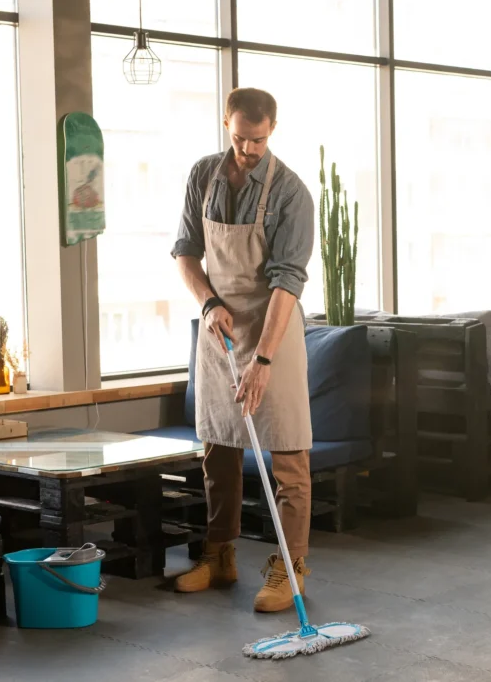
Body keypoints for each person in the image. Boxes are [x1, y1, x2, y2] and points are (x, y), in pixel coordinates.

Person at [171, 87, 315, 613]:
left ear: (272, 128)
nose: (247, 150)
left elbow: (287, 283)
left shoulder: (290, 193)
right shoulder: (203, 175)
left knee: (289, 453)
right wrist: (208, 304)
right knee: (218, 447)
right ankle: (219, 556)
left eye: (256, 140)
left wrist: (264, 359)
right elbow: (186, 251)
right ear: (225, 125)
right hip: (219, 328)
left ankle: (290, 569)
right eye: (238, 138)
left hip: (272, 329)